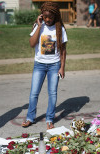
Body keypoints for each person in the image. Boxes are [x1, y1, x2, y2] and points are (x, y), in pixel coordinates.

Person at [22, 2, 68, 130]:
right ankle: (30, 118)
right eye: (45, 16)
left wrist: (62, 67)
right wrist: (39, 26)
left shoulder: (60, 29)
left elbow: (63, 50)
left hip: (54, 65)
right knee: (34, 93)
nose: (48, 19)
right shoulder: (39, 26)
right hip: (39, 65)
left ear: (55, 16)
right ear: (42, 15)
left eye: (50, 17)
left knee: (52, 93)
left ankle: (49, 119)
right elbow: (32, 44)